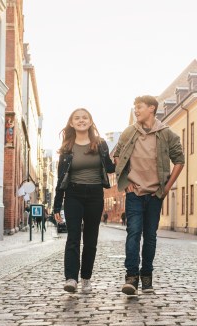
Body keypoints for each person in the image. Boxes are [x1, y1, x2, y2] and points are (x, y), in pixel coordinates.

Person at [112, 96, 185, 295]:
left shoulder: (166, 133)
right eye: (135, 107)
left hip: (155, 194)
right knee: (133, 233)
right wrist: (126, 181)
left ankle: (147, 276)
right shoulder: (129, 132)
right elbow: (117, 155)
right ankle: (131, 277)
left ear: (151, 109)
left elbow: (179, 160)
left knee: (150, 236)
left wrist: (167, 187)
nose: (136, 111)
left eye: (139, 107)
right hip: (134, 193)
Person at [53, 108, 115, 293]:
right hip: (73, 194)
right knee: (73, 237)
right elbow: (61, 177)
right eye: (77, 118)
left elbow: (110, 168)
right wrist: (57, 204)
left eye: (85, 117)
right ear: (71, 123)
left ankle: (86, 278)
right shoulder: (67, 147)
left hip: (95, 194)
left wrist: (121, 153)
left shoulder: (101, 144)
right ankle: (71, 278)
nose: (81, 120)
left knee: (90, 239)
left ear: (90, 121)